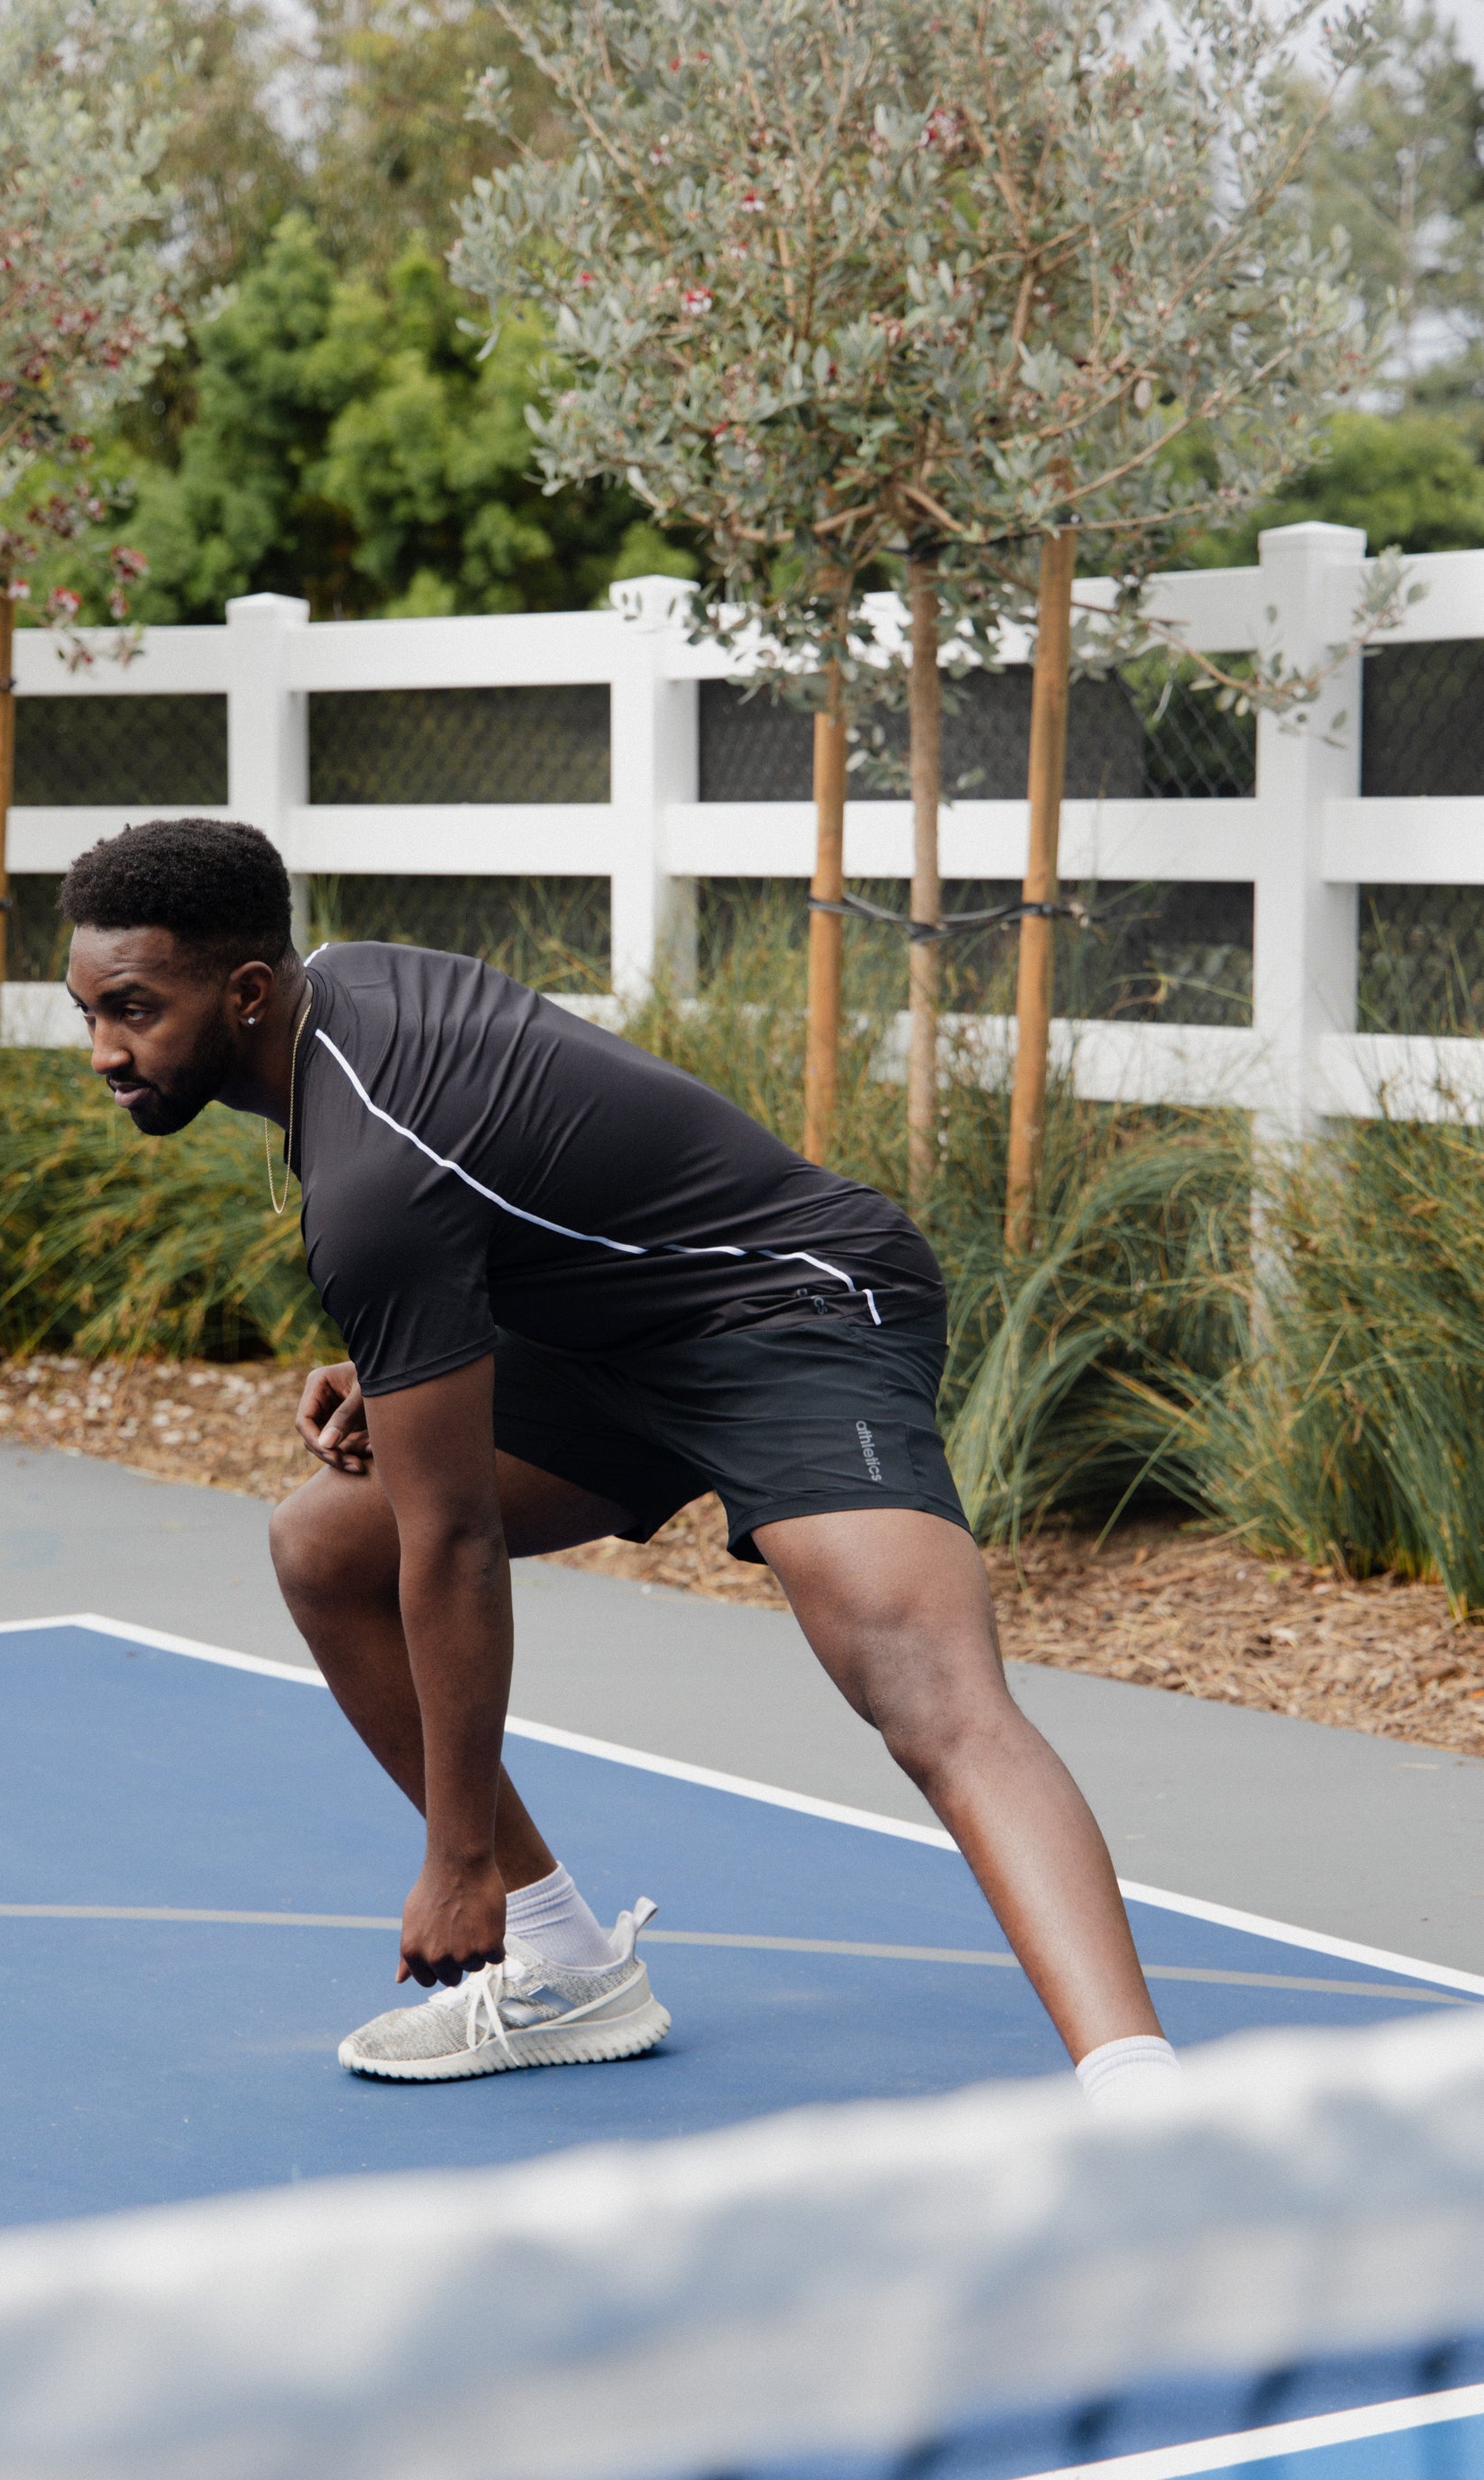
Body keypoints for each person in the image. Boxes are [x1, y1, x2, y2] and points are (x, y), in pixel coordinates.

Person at [59, 817, 1178, 2111]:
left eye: (133, 1012)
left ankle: (1136, 2090)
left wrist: (455, 1858)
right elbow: (530, 1170)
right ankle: (566, 1962)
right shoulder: (345, 990)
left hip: (794, 1313)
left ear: (246, 991)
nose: (104, 1052)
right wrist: (406, 1365)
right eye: (88, 1012)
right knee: (326, 1546)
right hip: (609, 1331)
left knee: (925, 1694)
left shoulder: (367, 1180)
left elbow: (460, 1539)